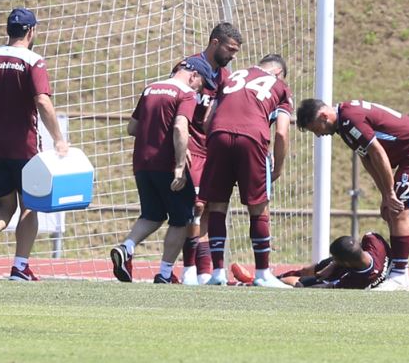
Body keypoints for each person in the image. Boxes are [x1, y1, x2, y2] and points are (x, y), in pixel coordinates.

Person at [0, 7, 69, 281]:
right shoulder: (33, 60)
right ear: (31, 31)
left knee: (4, 205)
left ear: (9, 30)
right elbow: (42, 101)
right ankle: (20, 267)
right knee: (29, 206)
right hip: (24, 148)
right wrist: (58, 139)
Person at [296, 98, 409, 291]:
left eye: (316, 129)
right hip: (407, 155)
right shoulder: (344, 125)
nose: (319, 135)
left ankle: (400, 276)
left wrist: (390, 193)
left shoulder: (349, 119)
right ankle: (399, 270)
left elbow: (377, 152)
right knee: (391, 211)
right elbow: (368, 159)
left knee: (399, 211)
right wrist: (385, 195)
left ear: (323, 116)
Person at [110, 56, 216, 284]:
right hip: (166, 164)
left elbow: (133, 127)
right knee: (181, 219)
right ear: (194, 75)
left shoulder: (150, 88)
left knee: (153, 214)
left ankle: (126, 247)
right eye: (201, 84)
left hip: (141, 163)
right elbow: (180, 126)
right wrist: (179, 166)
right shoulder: (185, 93)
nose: (199, 90)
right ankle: (165, 273)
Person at [200, 54, 293, 288]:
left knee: (217, 205)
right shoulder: (280, 86)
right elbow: (281, 132)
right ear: (278, 73)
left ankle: (218, 273)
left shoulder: (231, 77)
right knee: (258, 207)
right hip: (252, 138)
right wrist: (279, 167)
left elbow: (207, 120)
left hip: (218, 134)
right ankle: (262, 273)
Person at [179, 23, 243, 286]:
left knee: (210, 209)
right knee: (195, 207)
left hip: (213, 150)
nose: (232, 55)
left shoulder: (226, 77)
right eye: (230, 49)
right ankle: (189, 270)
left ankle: (206, 272)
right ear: (214, 42)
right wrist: (179, 147)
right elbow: (178, 108)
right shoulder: (189, 68)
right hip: (192, 148)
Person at [274, 232, 390, 289]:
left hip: (344, 274)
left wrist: (304, 288)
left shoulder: (355, 281)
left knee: (297, 282)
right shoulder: (373, 241)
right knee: (306, 270)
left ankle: (273, 282)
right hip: (349, 264)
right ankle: (274, 279)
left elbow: (330, 287)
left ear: (345, 262)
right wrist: (331, 266)